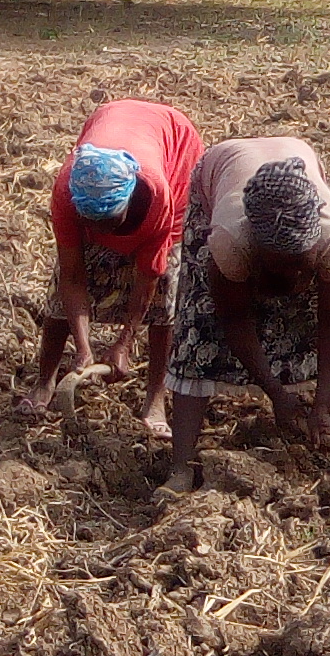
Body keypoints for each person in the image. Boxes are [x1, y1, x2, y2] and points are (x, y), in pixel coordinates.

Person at [164, 137, 330, 488]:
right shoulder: (230, 239)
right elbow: (234, 319)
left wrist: (322, 407)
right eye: (279, 266)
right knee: (200, 324)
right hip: (221, 171)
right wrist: (277, 394)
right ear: (257, 248)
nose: (294, 278)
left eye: (301, 266)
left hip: (296, 158)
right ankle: (180, 465)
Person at [28, 97, 202, 438]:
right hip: (112, 120)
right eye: (91, 224)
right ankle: (44, 381)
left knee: (164, 295)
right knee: (58, 295)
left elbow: (149, 275)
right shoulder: (68, 190)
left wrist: (124, 341)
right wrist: (84, 348)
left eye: (109, 223)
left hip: (174, 147)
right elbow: (72, 277)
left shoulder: (158, 195)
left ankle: (155, 399)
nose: (102, 234)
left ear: (129, 200)